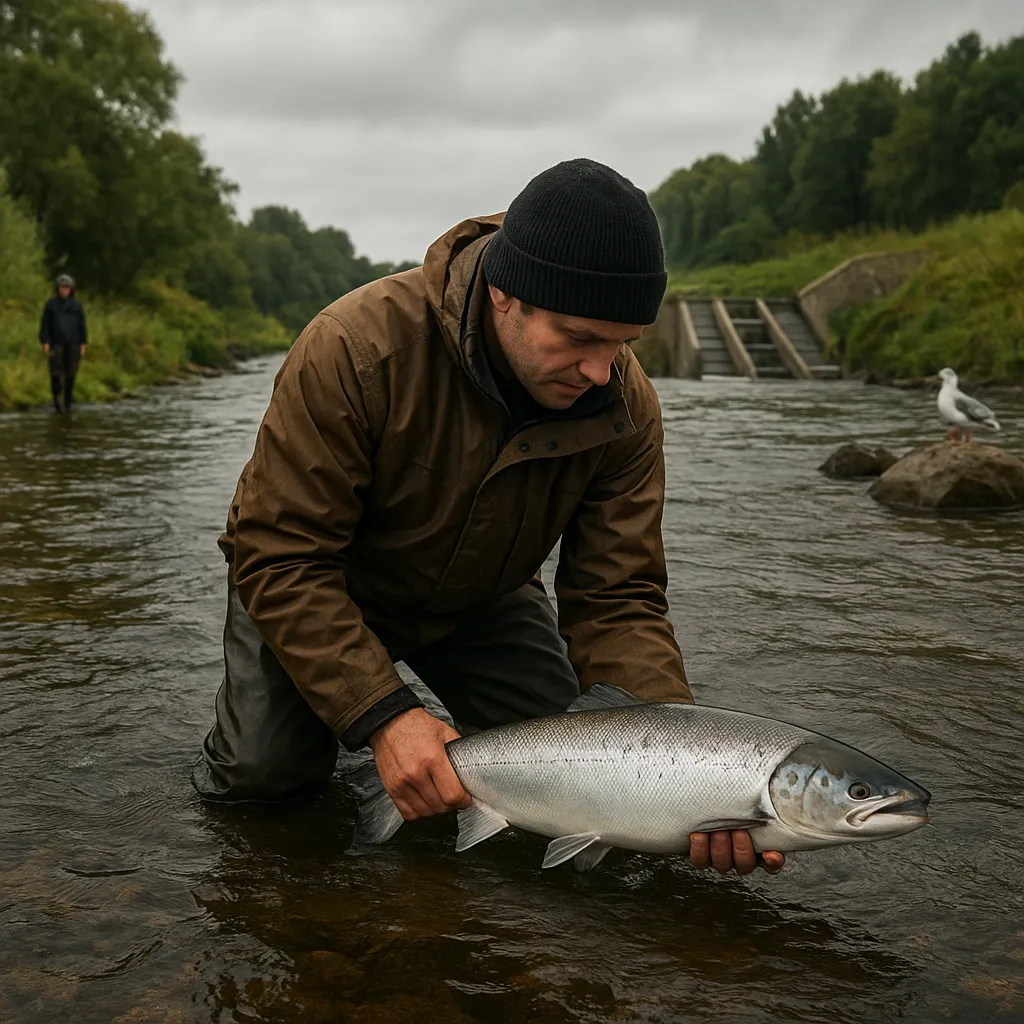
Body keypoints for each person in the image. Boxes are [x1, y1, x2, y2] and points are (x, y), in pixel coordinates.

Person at [191, 158, 785, 878]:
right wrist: (383, 716)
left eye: (621, 344)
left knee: (607, 794)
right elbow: (278, 554)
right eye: (577, 338)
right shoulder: (354, 349)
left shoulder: (627, 408)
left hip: (482, 601)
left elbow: (617, 598)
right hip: (317, 587)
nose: (601, 372)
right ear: (506, 296)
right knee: (263, 787)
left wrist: (684, 773)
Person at [39, 273, 87, 413]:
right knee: (55, 373)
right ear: (57, 288)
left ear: (71, 289)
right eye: (62, 287)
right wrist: (45, 341)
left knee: (71, 374)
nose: (64, 290)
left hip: (73, 343)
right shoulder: (51, 304)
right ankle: (56, 401)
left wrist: (83, 342)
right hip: (56, 343)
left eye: (67, 288)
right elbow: (45, 324)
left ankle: (68, 402)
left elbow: (82, 325)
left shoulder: (77, 305)